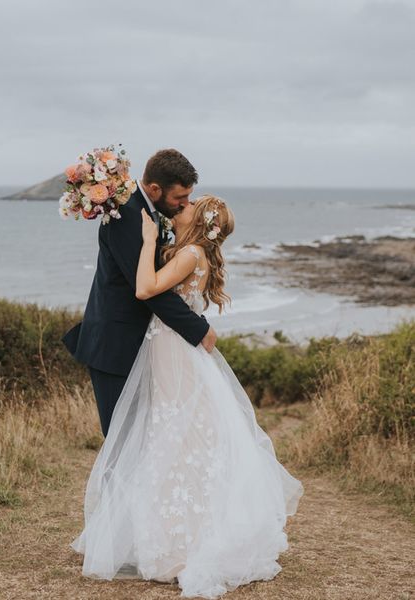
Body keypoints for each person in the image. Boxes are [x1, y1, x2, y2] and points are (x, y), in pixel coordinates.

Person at [69, 194, 304, 598]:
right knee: (174, 436)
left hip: (174, 353)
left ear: (201, 221)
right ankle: (171, 534)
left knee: (176, 437)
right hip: (171, 350)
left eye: (192, 204)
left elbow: (145, 288)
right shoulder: (189, 251)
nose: (185, 204)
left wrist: (145, 241)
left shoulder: (191, 252)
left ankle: (185, 542)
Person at [62, 148, 217, 438]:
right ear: (155, 188)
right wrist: (198, 329)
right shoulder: (127, 216)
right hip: (116, 345)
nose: (186, 204)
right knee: (121, 440)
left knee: (141, 439)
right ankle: (112, 487)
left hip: (139, 343)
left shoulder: (149, 212)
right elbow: (146, 289)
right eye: (179, 198)